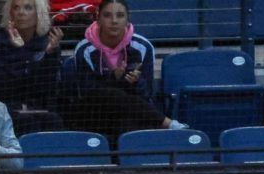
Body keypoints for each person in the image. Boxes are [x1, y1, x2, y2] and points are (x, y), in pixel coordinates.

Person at [64, 0, 184, 142]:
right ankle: (167, 123)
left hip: (132, 112)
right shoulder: (84, 49)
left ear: (128, 19)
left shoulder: (143, 47)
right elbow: (87, 92)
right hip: (95, 113)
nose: (114, 21)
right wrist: (114, 78)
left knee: (127, 122)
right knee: (107, 94)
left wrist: (135, 82)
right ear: (98, 19)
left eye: (120, 15)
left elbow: (148, 94)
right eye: (107, 15)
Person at [0, 0, 65, 134]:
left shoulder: (47, 43)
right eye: (16, 8)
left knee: (53, 121)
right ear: (10, 13)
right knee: (26, 122)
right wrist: (22, 52)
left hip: (36, 106)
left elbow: (48, 89)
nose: (21, 13)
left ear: (39, 13)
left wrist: (49, 55)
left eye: (28, 8)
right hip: (4, 106)